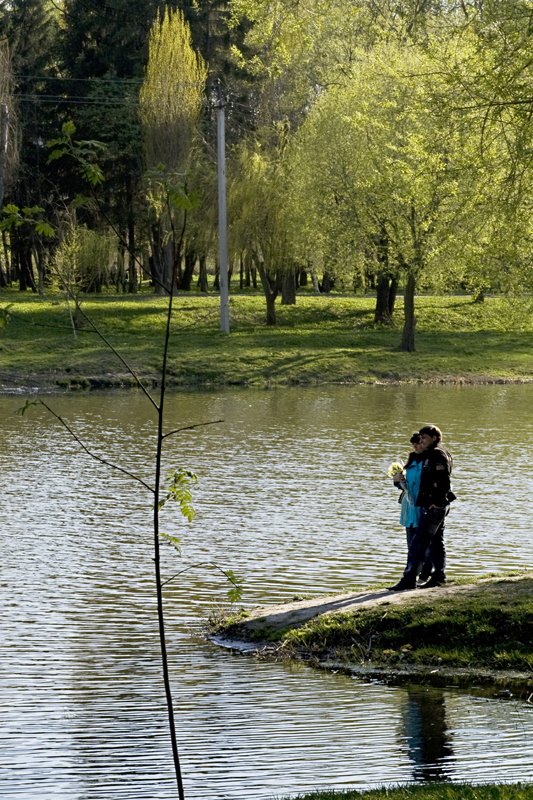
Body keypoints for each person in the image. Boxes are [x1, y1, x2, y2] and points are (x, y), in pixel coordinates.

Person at [388, 424, 454, 591]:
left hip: (434, 506)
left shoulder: (437, 454)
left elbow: (444, 481)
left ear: (434, 438)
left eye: (424, 438)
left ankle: (409, 579)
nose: (421, 441)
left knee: (419, 543)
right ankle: (438, 577)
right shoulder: (432, 454)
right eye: (421, 438)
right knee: (435, 542)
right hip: (433, 505)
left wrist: (436, 501)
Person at [392, 433, 432, 586]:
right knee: (411, 544)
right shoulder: (411, 461)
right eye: (413, 444)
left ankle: (423, 574)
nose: (415, 446)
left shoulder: (430, 460)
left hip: (423, 508)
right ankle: (411, 576)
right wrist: (398, 481)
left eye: (419, 443)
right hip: (409, 509)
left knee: (424, 544)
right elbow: (406, 485)